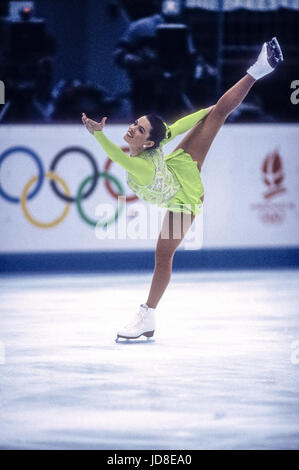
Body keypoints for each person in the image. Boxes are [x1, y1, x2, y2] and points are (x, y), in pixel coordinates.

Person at [82, 37, 283, 341]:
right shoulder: (150, 149)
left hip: (183, 197)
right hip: (179, 167)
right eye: (135, 123)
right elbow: (171, 129)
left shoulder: (142, 163)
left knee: (163, 256)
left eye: (139, 129)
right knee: (217, 112)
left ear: (148, 142)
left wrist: (98, 135)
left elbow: (125, 149)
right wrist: (208, 111)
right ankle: (258, 70)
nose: (132, 128)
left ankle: (147, 315)